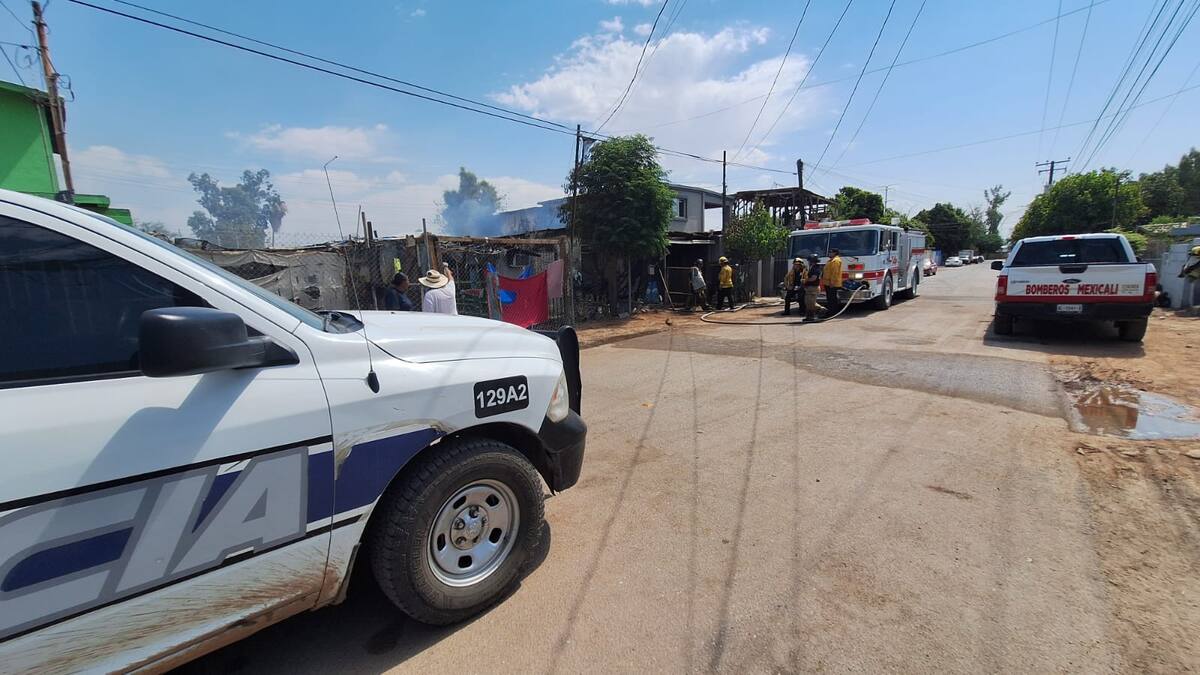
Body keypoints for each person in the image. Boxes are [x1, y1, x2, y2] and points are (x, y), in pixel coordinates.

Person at [821, 248, 844, 315]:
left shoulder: (835, 261)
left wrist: (832, 282)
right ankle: (831, 311)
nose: (829, 253)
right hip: (828, 283)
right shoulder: (831, 261)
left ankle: (833, 312)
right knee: (830, 298)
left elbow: (835, 273)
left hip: (832, 284)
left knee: (832, 299)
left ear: (835, 253)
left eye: (831, 252)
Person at [803, 253, 822, 321]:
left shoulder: (816, 268)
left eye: (809, 260)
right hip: (810, 288)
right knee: (808, 303)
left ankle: (814, 315)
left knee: (811, 303)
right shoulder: (812, 268)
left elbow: (814, 278)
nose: (808, 262)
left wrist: (805, 280)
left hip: (813, 287)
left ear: (812, 261)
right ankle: (809, 317)